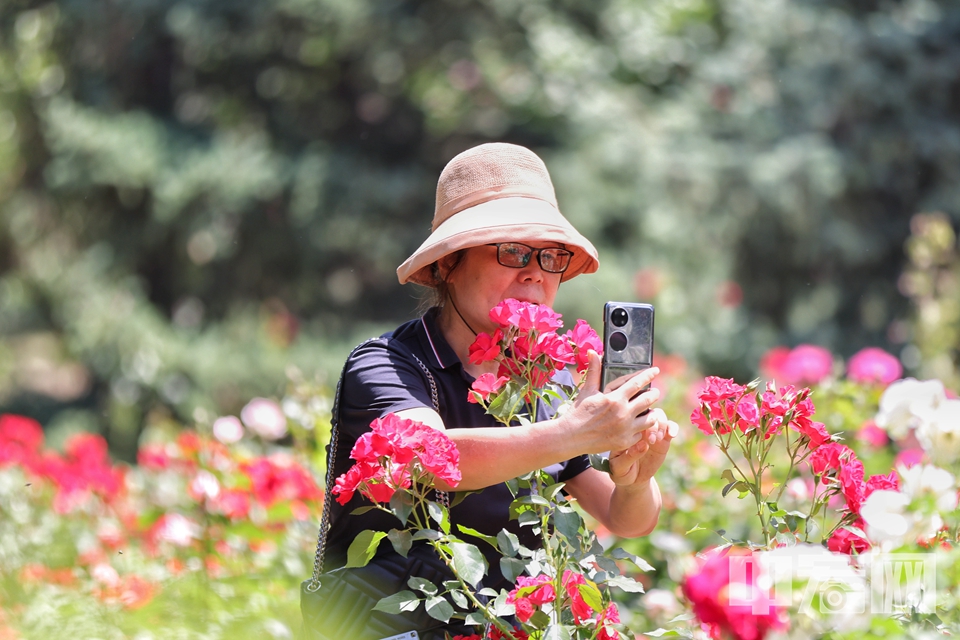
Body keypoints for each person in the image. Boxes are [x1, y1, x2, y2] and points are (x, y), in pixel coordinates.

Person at [324, 142, 679, 596]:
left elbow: (625, 518)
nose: (536, 273)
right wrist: (576, 433)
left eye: (551, 256)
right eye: (513, 251)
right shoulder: (386, 364)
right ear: (449, 262)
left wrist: (635, 479)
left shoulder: (551, 382)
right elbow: (431, 457)